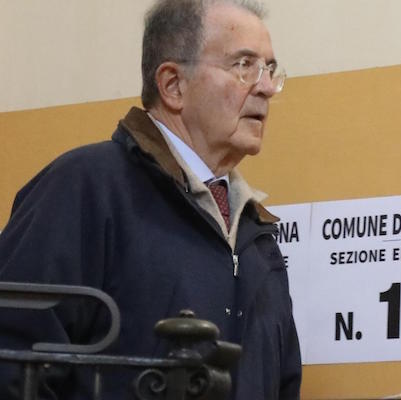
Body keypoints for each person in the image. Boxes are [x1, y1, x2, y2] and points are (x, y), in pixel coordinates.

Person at [0, 0, 301, 398]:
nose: (265, 87)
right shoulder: (84, 187)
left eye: (270, 70)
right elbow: (14, 364)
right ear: (173, 85)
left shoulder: (258, 239)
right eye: (244, 66)